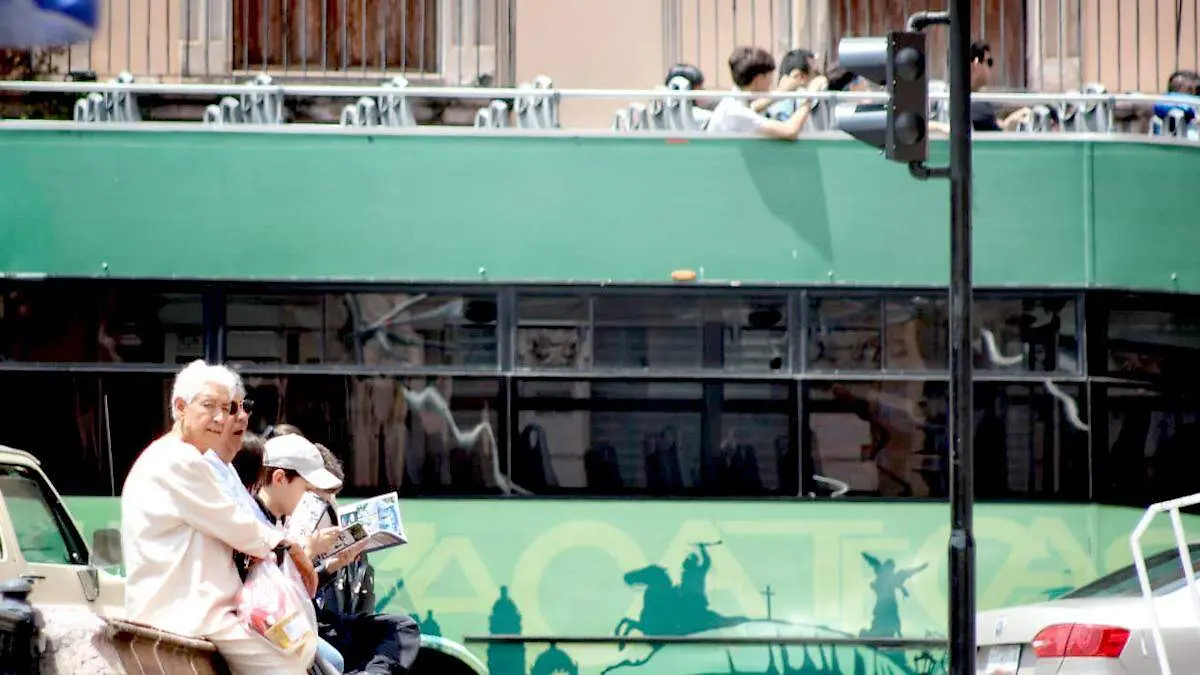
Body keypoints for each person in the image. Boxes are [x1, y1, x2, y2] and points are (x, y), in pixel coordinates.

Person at [121, 359, 316, 674]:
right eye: (208, 406)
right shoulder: (177, 460)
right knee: (288, 663)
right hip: (189, 611)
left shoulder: (188, 458)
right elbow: (234, 523)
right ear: (181, 407)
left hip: (202, 606)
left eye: (226, 409)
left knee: (299, 649)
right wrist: (287, 545)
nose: (219, 419)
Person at [706, 46, 814, 140]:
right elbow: (790, 131)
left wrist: (782, 92)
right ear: (759, 79)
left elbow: (754, 108)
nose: (771, 81)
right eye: (769, 76)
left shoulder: (734, 102)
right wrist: (809, 96)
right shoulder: (735, 111)